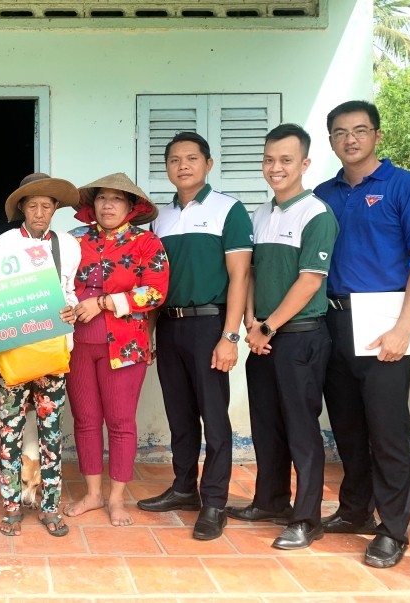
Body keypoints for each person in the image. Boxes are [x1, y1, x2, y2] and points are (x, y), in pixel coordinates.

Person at [314, 101, 410, 568]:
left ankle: (393, 529)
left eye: (360, 130)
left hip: (383, 321)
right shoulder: (323, 194)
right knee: (346, 426)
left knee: (387, 431)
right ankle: (354, 511)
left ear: (377, 136)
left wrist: (403, 328)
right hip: (331, 320)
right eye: (340, 132)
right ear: (331, 140)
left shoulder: (406, 186)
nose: (350, 139)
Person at [227, 124, 338, 550]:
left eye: (286, 160)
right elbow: (252, 273)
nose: (276, 167)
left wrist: (268, 326)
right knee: (266, 424)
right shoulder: (260, 214)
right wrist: (250, 321)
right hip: (263, 336)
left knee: (301, 429)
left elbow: (310, 282)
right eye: (269, 159)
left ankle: (307, 519)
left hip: (300, 338)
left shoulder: (316, 214)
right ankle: (270, 501)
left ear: (304, 163)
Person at [139, 132, 253, 541]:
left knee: (214, 417)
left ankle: (215, 502)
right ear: (167, 168)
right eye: (174, 159)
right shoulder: (159, 218)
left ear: (208, 163)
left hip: (210, 325)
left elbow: (241, 276)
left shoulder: (229, 210)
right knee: (179, 414)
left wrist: (231, 336)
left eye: (191, 158)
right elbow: (153, 283)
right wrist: (148, 332)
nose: (183, 165)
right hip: (169, 325)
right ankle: (184, 488)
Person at [64, 173, 169, 527]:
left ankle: (116, 498)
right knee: (85, 420)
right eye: (101, 198)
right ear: (92, 204)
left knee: (121, 422)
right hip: (77, 345)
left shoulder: (146, 242)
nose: (107, 205)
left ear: (131, 207)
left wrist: (104, 303)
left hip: (125, 346)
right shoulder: (74, 240)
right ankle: (93, 494)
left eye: (116, 198)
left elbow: (155, 291)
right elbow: (54, 283)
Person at [0, 173, 81, 537]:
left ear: (55, 208)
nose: (40, 212)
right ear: (22, 207)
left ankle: (49, 507)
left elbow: (69, 289)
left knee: (52, 435)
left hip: (53, 353)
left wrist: (71, 309)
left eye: (46, 206)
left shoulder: (67, 245)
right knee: (10, 433)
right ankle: (11, 509)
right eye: (33, 205)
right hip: (12, 354)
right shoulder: (2, 246)